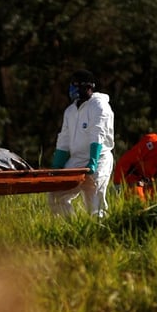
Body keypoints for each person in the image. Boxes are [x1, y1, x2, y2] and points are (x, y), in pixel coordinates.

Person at [47, 69, 115, 217]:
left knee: (94, 197)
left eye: (76, 85)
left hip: (99, 158)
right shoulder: (70, 111)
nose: (72, 89)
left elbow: (98, 133)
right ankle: (69, 228)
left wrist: (93, 160)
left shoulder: (99, 106)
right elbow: (64, 139)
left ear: (88, 87)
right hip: (77, 159)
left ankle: (98, 230)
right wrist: (57, 166)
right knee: (56, 194)